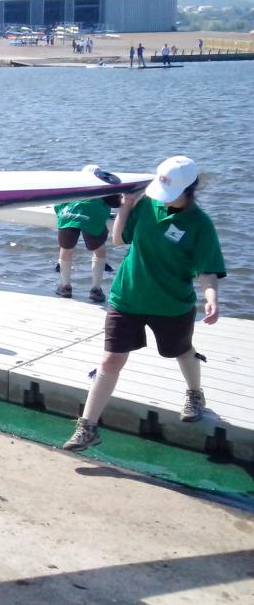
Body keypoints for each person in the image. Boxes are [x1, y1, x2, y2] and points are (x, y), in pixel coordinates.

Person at [62, 156, 226, 452]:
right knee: (110, 360)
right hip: (127, 296)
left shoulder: (200, 224)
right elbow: (118, 240)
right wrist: (126, 205)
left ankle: (194, 393)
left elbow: (207, 270)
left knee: (182, 351)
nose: (163, 198)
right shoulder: (147, 204)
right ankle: (87, 427)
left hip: (171, 303)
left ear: (189, 189)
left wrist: (211, 298)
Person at [53, 194, 112, 302]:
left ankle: (65, 287)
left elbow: (57, 203)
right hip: (93, 212)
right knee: (99, 248)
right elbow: (114, 201)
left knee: (66, 249)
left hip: (68, 212)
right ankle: (96, 289)